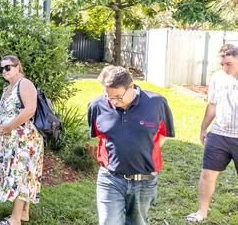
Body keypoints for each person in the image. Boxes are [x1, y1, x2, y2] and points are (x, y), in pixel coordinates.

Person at [88, 66, 175, 225]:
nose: (113, 102)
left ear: (131, 87)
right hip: (110, 178)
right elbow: (103, 137)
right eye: (109, 97)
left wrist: (144, 148)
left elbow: (163, 133)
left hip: (145, 180)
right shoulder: (97, 106)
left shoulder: (157, 103)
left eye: (118, 97)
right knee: (109, 221)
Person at [0, 55, 43, 224]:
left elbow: (30, 110)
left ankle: (15, 219)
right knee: (22, 173)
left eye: (8, 67)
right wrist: (1, 127)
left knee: (20, 174)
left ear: (18, 66)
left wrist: (8, 127)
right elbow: (6, 112)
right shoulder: (7, 88)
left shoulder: (24, 83)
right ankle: (24, 213)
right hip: (11, 139)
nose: (4, 71)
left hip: (25, 139)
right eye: (1, 69)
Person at [186, 44, 238, 223]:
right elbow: (212, 105)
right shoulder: (218, 77)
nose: (224, 68)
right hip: (219, 135)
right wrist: (203, 128)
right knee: (207, 175)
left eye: (228, 64)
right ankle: (202, 212)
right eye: (222, 64)